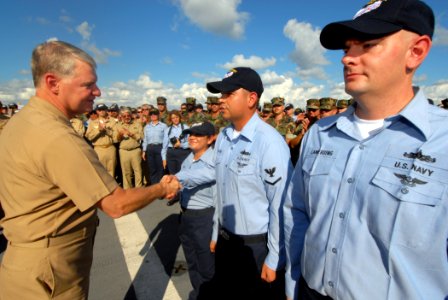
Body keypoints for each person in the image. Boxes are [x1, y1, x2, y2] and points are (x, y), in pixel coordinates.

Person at [283, 1, 447, 299]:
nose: (347, 59)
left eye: (368, 45)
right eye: (347, 48)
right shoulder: (320, 134)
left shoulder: (442, 141)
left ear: (417, 51)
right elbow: (298, 213)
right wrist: (293, 279)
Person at [0, 40, 180, 299]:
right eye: (88, 84)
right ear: (53, 83)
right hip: (51, 271)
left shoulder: (20, 123)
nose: (97, 92)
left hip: (25, 263)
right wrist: (162, 188)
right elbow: (116, 205)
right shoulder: (57, 136)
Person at [206, 67, 292, 299]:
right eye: (221, 95)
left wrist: (275, 257)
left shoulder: (269, 143)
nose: (221, 100)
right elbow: (220, 191)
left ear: (251, 98)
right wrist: (216, 233)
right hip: (226, 242)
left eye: (228, 94)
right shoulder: (223, 136)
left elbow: (280, 206)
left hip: (255, 247)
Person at [164, 121, 217, 300]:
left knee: (207, 267)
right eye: (190, 134)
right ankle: (198, 294)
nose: (192, 137)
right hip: (186, 216)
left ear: (210, 139)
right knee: (192, 262)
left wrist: (174, 180)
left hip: (204, 219)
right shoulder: (189, 157)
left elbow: (197, 177)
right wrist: (176, 193)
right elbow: (187, 185)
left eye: (198, 135)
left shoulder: (214, 160)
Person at [162, 110, 191, 206]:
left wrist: (181, 144)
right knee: (173, 176)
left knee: (183, 174)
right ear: (170, 119)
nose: (175, 119)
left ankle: (185, 195)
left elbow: (190, 143)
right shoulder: (167, 130)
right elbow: (164, 145)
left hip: (182, 152)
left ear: (180, 117)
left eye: (176, 117)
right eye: (173, 118)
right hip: (171, 153)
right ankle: (175, 196)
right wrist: (164, 158)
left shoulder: (186, 128)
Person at [85, 103, 118, 176]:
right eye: (99, 110)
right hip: (98, 149)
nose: (102, 111)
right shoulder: (92, 123)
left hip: (110, 148)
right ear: (97, 111)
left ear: (106, 110)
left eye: (103, 109)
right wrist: (98, 131)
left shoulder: (113, 122)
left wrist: (106, 130)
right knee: (100, 173)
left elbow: (116, 138)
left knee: (112, 172)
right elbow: (89, 137)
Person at [117, 107, 144, 189]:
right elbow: (115, 139)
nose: (126, 117)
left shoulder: (137, 124)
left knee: (138, 171)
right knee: (126, 173)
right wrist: (120, 135)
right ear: (121, 117)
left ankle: (138, 190)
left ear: (131, 115)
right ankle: (128, 191)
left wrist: (131, 134)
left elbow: (141, 137)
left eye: (128, 115)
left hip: (135, 150)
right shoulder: (118, 125)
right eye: (124, 116)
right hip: (124, 151)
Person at [142, 108, 167, 184]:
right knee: (152, 169)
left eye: (155, 114)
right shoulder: (147, 127)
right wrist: (144, 150)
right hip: (150, 149)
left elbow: (166, 140)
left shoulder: (163, 126)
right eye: (151, 114)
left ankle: (160, 188)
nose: (153, 115)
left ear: (158, 115)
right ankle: (154, 187)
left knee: (160, 169)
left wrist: (164, 152)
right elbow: (145, 139)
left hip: (159, 148)